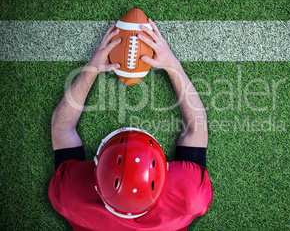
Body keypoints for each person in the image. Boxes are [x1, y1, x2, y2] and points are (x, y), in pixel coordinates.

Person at [48, 19, 213, 230]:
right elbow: (196, 127)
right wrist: (173, 66)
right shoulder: (189, 196)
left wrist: (91, 69)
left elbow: (62, 127)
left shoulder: (70, 193)